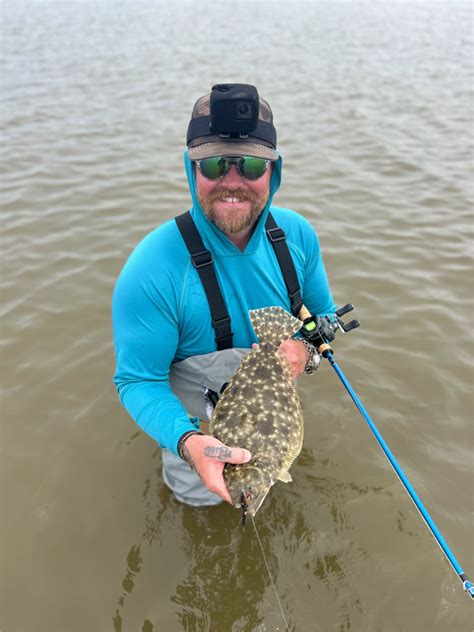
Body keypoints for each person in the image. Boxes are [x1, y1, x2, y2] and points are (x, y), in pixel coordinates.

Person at [112, 84, 337, 507]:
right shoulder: (151, 271)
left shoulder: (298, 238)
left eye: (251, 165)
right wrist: (187, 441)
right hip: (197, 438)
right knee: (200, 516)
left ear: (276, 172)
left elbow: (322, 321)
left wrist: (305, 353)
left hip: (269, 423)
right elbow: (138, 379)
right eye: (214, 164)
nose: (232, 182)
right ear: (190, 169)